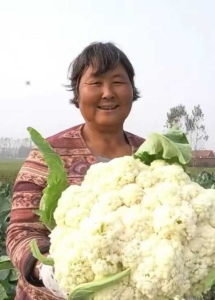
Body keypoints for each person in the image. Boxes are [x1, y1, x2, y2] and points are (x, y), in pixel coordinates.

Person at [6, 42, 145, 300]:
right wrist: (45, 269)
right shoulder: (46, 157)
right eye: (95, 83)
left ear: (131, 89)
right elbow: (20, 232)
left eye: (118, 82)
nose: (108, 93)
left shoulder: (152, 157)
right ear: (77, 93)